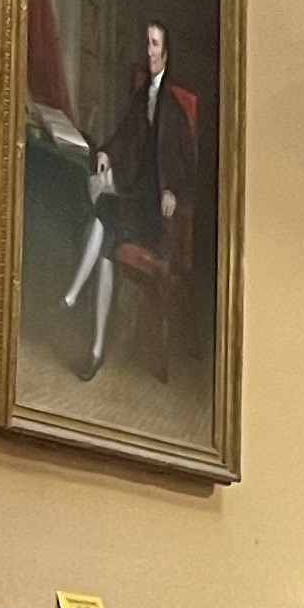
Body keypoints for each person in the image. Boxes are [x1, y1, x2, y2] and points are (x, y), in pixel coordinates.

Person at [60, 21, 194, 381]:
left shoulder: (174, 109)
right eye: (147, 44)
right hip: (134, 201)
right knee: (103, 234)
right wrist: (105, 152)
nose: (149, 51)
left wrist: (173, 191)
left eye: (155, 44)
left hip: (154, 216)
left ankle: (73, 294)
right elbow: (121, 137)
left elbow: (190, 165)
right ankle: (96, 350)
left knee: (102, 212)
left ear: (166, 54)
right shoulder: (140, 99)